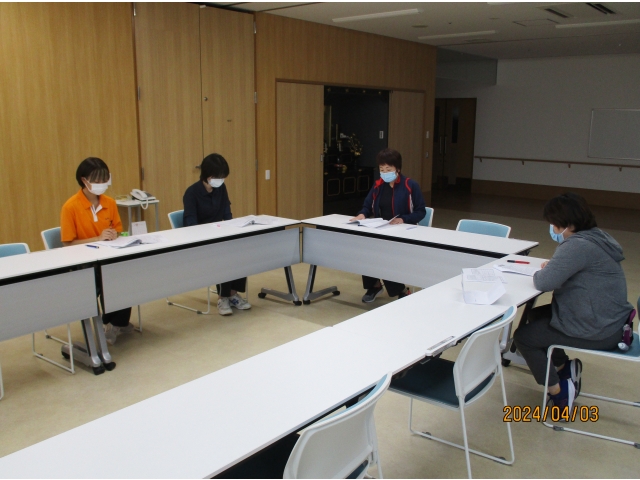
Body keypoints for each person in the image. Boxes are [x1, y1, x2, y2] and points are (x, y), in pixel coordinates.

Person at [514, 192, 633, 410]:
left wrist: (547, 271)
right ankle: (563, 367)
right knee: (536, 314)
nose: (552, 228)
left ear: (567, 224)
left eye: (554, 224)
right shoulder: (596, 237)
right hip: (613, 321)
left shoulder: (578, 246)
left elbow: (544, 282)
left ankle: (559, 393)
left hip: (600, 329)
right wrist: (556, 267)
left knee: (524, 338)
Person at [60, 157, 134, 345]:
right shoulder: (70, 207)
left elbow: (118, 229)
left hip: (108, 255)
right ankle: (109, 322)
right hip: (84, 262)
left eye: (104, 179)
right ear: (84, 180)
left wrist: (114, 234)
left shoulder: (110, 202)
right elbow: (68, 244)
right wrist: (97, 238)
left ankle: (115, 322)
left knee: (125, 275)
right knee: (105, 280)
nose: (102, 184)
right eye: (97, 180)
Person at [350, 148, 427, 303]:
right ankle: (375, 285)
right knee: (366, 250)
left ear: (397, 169)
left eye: (388, 169)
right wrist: (362, 214)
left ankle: (400, 290)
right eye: (382, 170)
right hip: (382, 229)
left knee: (385, 252)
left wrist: (403, 219)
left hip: (404, 230)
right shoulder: (378, 185)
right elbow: (367, 206)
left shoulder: (410, 185)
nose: (385, 173)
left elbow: (421, 211)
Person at [183, 153, 251, 316]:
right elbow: (191, 224)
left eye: (223, 177)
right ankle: (223, 297)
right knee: (224, 253)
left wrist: (233, 229)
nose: (221, 180)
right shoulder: (192, 193)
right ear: (208, 176)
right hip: (202, 240)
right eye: (218, 177)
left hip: (220, 235)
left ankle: (233, 294)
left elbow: (227, 213)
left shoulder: (221, 189)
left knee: (240, 248)